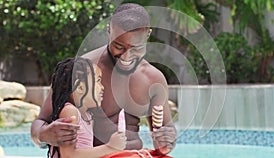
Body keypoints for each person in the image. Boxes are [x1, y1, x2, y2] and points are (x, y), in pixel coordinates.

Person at [31, 3, 176, 155]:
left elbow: (165, 132)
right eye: (119, 46)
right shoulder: (82, 72)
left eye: (136, 48)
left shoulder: (153, 79)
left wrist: (166, 142)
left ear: (147, 35)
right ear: (109, 31)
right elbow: (40, 122)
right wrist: (44, 134)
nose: (126, 57)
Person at [47, 57, 126, 158]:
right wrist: (109, 147)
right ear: (80, 87)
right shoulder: (70, 112)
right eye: (97, 81)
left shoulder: (88, 116)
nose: (102, 87)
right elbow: (68, 155)